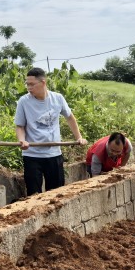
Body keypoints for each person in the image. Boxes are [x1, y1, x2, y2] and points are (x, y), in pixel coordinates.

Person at [15, 67, 87, 196]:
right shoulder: (24, 101)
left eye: (32, 84)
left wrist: (79, 137)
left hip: (54, 154)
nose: (29, 87)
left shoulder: (57, 98)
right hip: (32, 155)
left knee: (56, 194)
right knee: (34, 194)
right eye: (27, 84)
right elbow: (20, 126)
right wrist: (22, 140)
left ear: (43, 83)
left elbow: (70, 117)